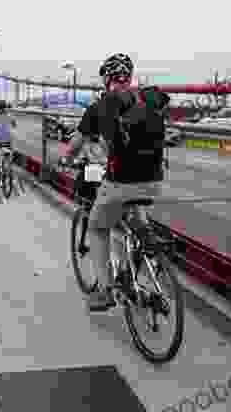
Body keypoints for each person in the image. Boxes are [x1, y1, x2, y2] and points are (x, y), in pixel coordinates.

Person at [58, 53, 170, 312]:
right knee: (135, 218)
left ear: (106, 79)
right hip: (153, 181)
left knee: (98, 228)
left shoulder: (101, 105)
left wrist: (65, 158)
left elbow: (77, 142)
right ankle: (142, 251)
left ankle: (105, 291)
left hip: (120, 182)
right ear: (129, 77)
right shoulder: (148, 101)